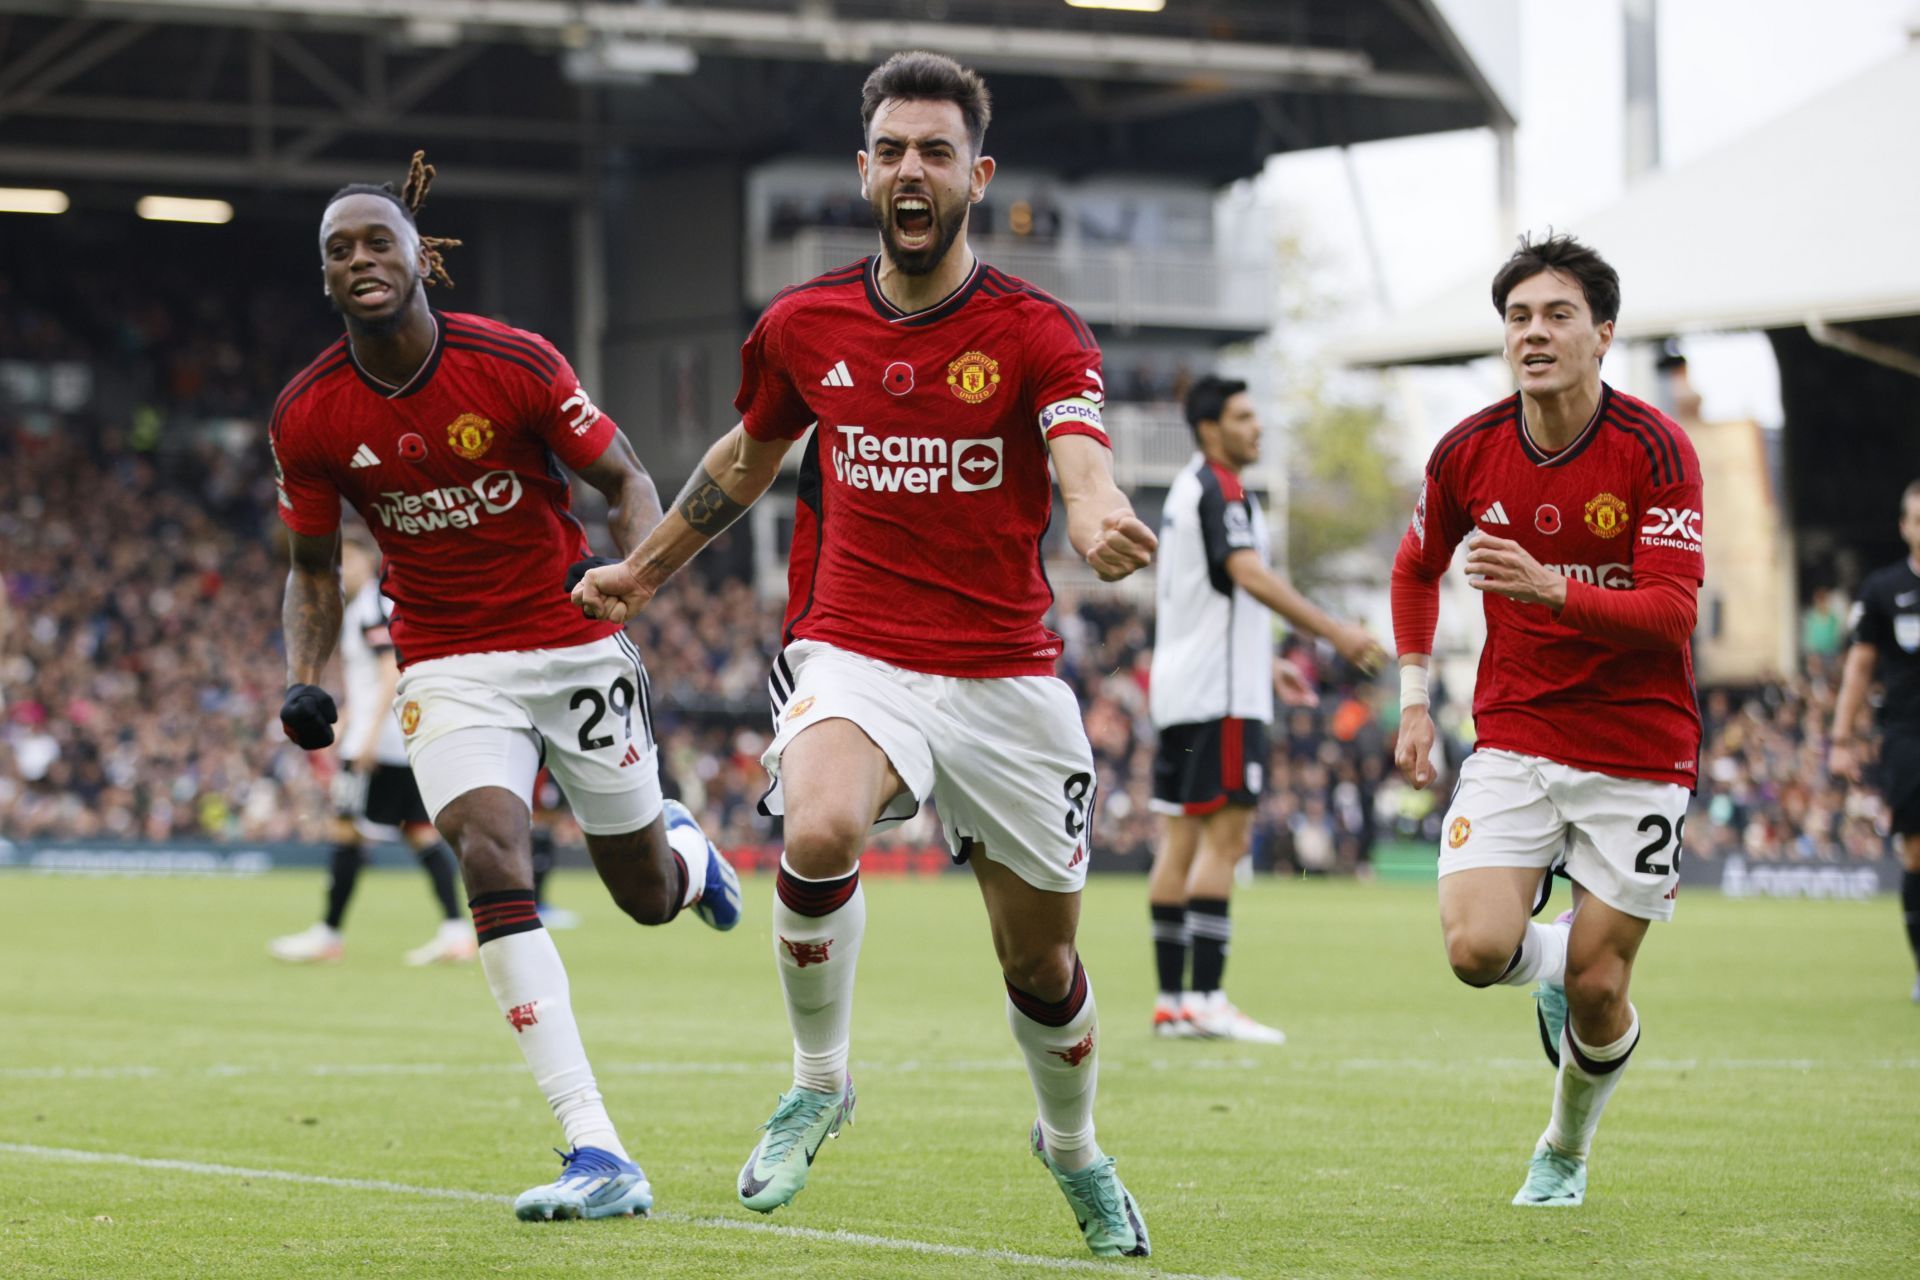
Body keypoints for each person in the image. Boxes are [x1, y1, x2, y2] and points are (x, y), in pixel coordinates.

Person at [575, 52, 1156, 1259]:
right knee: (820, 825)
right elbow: (743, 461)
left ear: (977, 177)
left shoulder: (1037, 331)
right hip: (857, 648)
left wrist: (1098, 517)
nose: (910, 169)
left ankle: (1074, 1148)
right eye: (891, 148)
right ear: (862, 170)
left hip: (1005, 674)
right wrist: (644, 570)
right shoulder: (802, 324)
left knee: (1041, 963)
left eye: (936, 151)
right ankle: (821, 1077)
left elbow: (1080, 458)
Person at [270, 151, 741, 1223]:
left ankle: (685, 850)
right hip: (444, 658)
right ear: (327, 278)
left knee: (645, 900)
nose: (358, 259)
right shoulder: (308, 414)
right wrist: (304, 680)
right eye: (337, 250)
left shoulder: (514, 361)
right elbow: (308, 565)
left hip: (571, 639)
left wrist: (636, 576)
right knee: (490, 849)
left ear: (416, 258)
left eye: (375, 240)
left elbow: (624, 477)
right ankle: (595, 1143)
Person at [1390, 233, 1704, 1208]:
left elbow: (1673, 609)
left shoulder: (1655, 449)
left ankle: (1564, 1147)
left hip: (1640, 749)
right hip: (1517, 734)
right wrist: (1412, 699)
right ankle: (1549, 962)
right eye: (1519, 317)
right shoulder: (1468, 451)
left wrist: (1550, 586)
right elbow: (1415, 567)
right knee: (1475, 949)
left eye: (1557, 314)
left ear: (1603, 334)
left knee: (1605, 990)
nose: (1535, 333)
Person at [1146, 375, 1385, 1042]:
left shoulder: (1186, 488)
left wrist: (1266, 660)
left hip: (1182, 688)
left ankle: (1174, 1002)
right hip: (1220, 698)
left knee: (1181, 842)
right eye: (1244, 417)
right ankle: (1209, 998)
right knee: (1225, 840)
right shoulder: (1222, 488)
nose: (1257, 428)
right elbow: (1247, 573)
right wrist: (1332, 630)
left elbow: (1210, 598)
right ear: (1209, 428)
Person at [268, 536, 474, 965]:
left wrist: (365, 735)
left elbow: (388, 673)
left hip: (378, 745)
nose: (341, 566)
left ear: (367, 558)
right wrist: (347, 717)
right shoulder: (373, 605)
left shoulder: (370, 606)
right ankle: (456, 932)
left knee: (346, 833)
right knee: (418, 831)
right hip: (398, 740)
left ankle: (328, 935)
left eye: (347, 556)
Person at [1828, 479, 1920, 1002]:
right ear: (1905, 527)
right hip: (1908, 737)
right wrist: (1841, 738)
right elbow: (1860, 668)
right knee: (1915, 855)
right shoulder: (1883, 591)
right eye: (1918, 518)